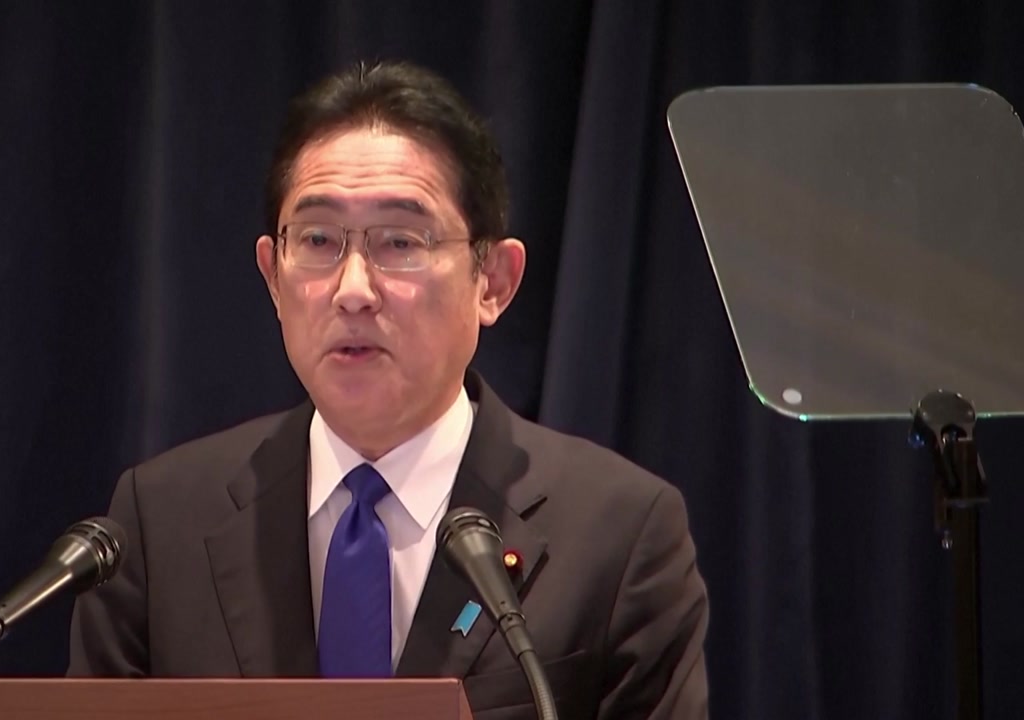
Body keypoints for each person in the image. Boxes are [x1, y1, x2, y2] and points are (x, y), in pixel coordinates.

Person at [68, 59, 709, 719]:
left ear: (493, 281)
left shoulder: (620, 535)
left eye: (401, 242)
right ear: (273, 277)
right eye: (318, 239)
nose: (352, 290)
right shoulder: (158, 524)